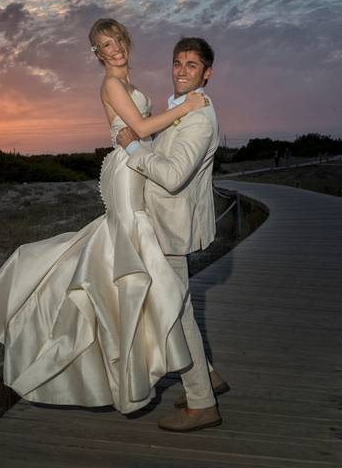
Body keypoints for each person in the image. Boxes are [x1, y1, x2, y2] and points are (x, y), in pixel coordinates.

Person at [0, 19, 212, 421]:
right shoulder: (112, 85)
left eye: (116, 40)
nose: (113, 48)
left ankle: (196, 375)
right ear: (96, 54)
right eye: (104, 44)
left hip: (134, 167)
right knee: (133, 256)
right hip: (126, 169)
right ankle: (178, 375)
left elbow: (143, 133)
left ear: (125, 42)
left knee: (139, 265)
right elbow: (140, 128)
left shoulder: (125, 82)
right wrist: (188, 106)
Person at [115, 36, 227, 431]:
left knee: (176, 313)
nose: (181, 70)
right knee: (177, 308)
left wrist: (133, 148)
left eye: (191, 65)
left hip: (171, 228)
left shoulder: (198, 118)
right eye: (178, 63)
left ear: (207, 73)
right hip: (163, 223)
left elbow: (173, 175)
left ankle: (202, 403)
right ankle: (208, 377)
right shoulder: (181, 107)